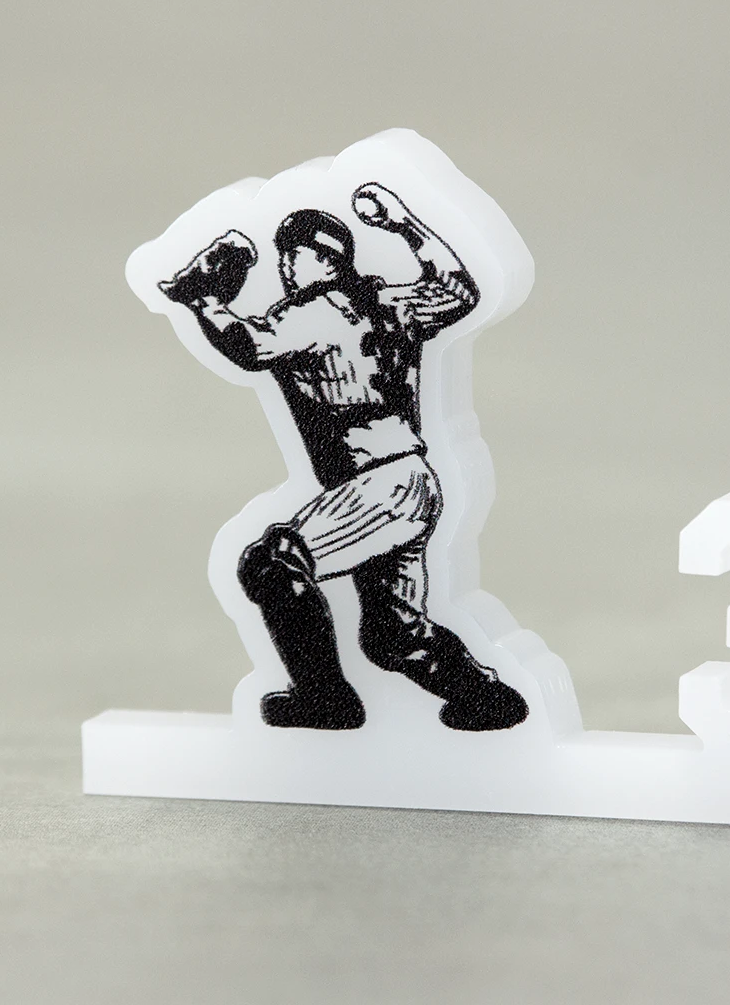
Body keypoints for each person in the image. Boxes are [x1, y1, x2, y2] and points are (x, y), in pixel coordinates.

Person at [159, 183, 529, 732]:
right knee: (392, 636)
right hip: (412, 484)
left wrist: (205, 300)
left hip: (376, 485)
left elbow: (250, 346)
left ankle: (325, 701)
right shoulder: (392, 302)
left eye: (293, 254)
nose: (285, 267)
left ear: (319, 258)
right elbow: (459, 290)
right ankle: (489, 698)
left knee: (272, 564)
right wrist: (402, 222)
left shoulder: (317, 307)